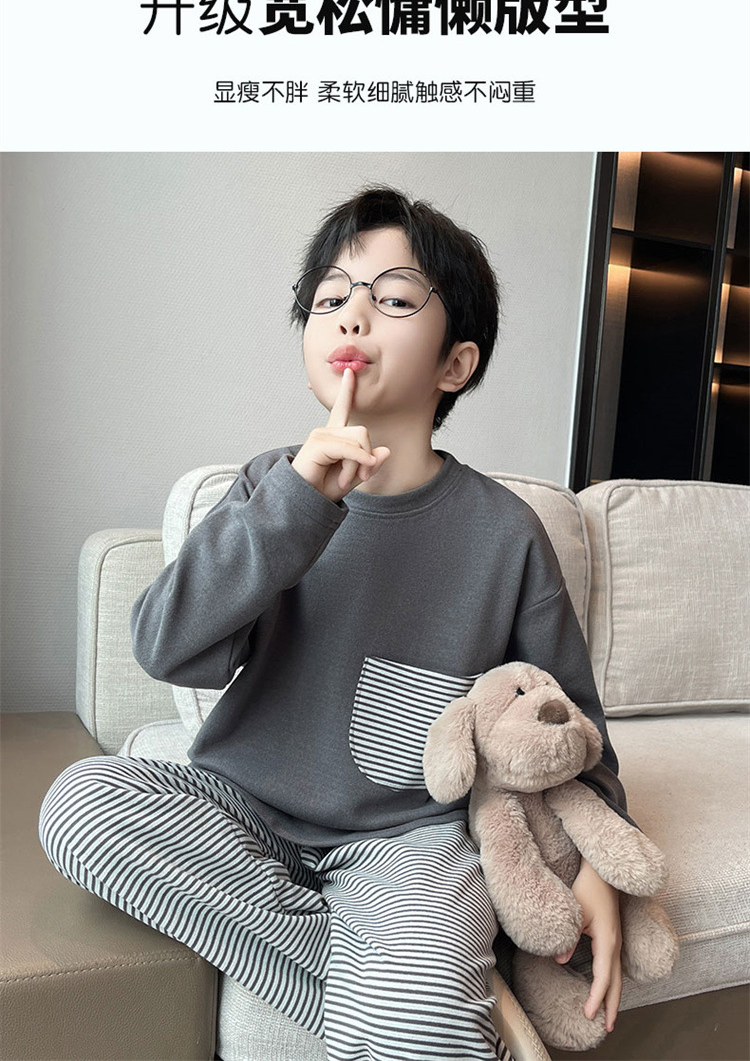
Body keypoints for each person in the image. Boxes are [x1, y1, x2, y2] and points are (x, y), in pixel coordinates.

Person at [38, 185, 639, 1060]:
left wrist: (599, 864)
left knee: (419, 983)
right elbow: (165, 647)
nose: (352, 315)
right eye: (329, 299)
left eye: (393, 299)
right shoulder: (268, 486)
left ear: (455, 364)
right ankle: (421, 1002)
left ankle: (418, 996)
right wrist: (294, 507)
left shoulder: (506, 532)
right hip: (240, 808)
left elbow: (568, 719)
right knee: (80, 805)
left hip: (408, 840)